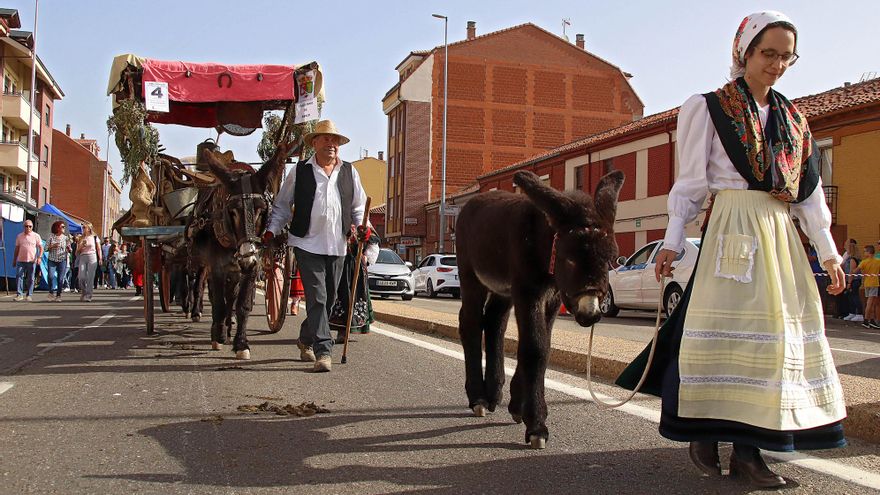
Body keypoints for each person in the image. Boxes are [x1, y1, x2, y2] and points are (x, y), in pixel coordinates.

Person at [616, 12, 846, 489]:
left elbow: (806, 192)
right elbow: (691, 182)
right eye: (769, 54)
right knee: (721, 338)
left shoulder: (795, 120)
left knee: (773, 344)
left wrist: (826, 252)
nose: (777, 65)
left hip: (779, 234)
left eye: (786, 56)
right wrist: (673, 241)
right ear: (743, 53)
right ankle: (705, 435)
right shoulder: (707, 107)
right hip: (731, 227)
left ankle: (748, 453)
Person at [263, 119, 368, 373]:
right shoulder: (299, 172)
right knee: (318, 298)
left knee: (329, 301)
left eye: (335, 141)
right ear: (315, 143)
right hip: (307, 244)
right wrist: (271, 230)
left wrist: (365, 230)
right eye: (326, 139)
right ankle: (324, 351)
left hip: (338, 246)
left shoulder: (349, 172)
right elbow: (281, 206)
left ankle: (305, 338)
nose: (331, 144)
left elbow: (358, 208)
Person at [329, 226, 379, 341]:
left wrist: (365, 257)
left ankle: (348, 330)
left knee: (356, 296)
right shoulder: (338, 220)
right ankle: (338, 331)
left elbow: (373, 244)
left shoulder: (364, 223)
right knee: (340, 296)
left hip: (357, 267)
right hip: (338, 263)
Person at [13, 219, 43, 302]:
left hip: (31, 260)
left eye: (30, 226)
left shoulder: (36, 236)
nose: (28, 228)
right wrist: (14, 260)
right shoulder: (19, 236)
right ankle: (19, 294)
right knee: (19, 276)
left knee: (31, 278)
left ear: (32, 227)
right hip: (21, 260)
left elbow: (41, 247)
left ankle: (29, 295)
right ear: (23, 227)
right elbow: (17, 248)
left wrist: (39, 257)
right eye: (26, 226)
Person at [855, 244, 880, 329]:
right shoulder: (877, 261)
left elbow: (856, 270)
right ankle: (866, 320)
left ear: (869, 252)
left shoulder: (864, 262)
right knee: (870, 303)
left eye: (865, 251)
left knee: (871, 303)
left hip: (867, 283)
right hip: (874, 283)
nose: (864, 253)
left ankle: (871, 320)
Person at [46, 221, 71, 302]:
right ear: (57, 228)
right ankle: (51, 292)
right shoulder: (51, 236)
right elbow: (45, 248)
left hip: (62, 260)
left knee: (60, 278)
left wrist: (69, 249)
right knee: (50, 276)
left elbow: (70, 249)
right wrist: (52, 246)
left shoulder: (66, 238)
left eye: (64, 227)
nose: (64, 228)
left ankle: (58, 295)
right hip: (52, 259)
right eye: (62, 227)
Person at [76, 225, 102, 302]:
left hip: (92, 257)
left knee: (90, 277)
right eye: (82, 227)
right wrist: (81, 246)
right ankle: (83, 291)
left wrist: (100, 258)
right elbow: (76, 252)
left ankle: (89, 295)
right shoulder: (81, 238)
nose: (83, 229)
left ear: (89, 229)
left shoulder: (94, 237)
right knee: (81, 277)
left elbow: (98, 248)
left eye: (84, 227)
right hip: (83, 257)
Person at [841, 239, 862, 321]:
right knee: (850, 296)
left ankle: (859, 314)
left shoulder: (853, 259)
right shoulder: (849, 259)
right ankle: (852, 312)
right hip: (850, 280)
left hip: (854, 280)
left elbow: (851, 271)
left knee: (854, 296)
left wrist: (849, 282)